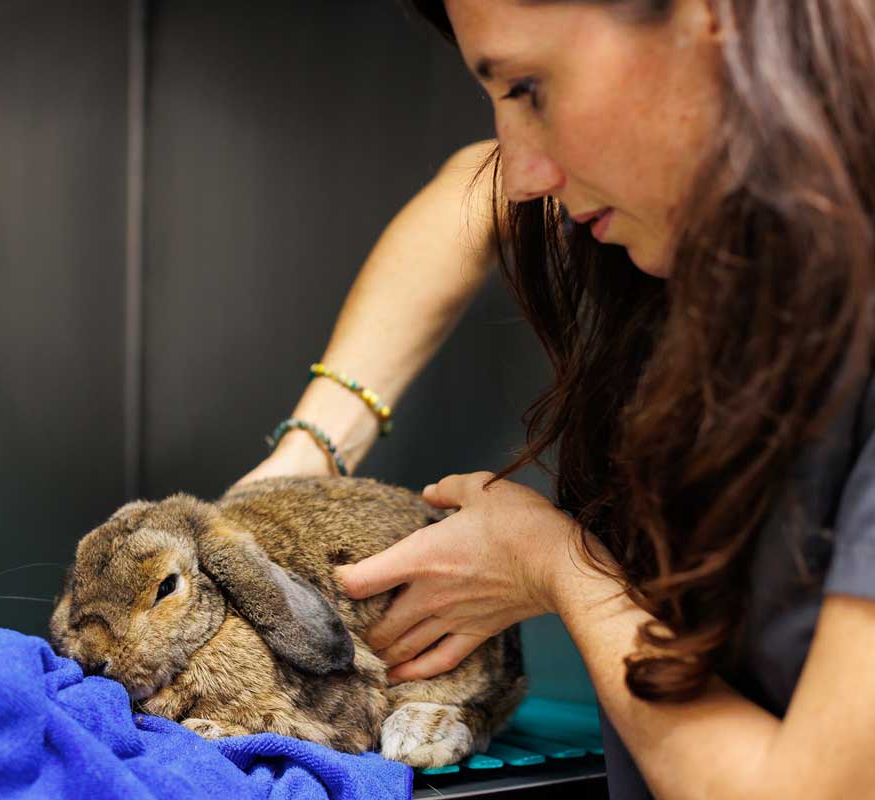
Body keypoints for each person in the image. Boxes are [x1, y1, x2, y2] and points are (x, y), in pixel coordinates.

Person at [236, 1, 875, 798]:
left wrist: (557, 567)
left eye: (531, 87)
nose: (526, 171)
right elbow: (466, 200)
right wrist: (310, 452)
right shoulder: (724, 199)